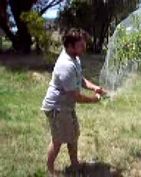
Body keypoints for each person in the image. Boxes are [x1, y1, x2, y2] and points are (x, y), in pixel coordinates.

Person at [41, 28, 107, 176]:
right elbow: (76, 96)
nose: (85, 48)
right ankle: (51, 172)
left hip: (66, 107)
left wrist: (95, 87)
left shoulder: (74, 58)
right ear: (70, 46)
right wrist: (94, 99)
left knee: (73, 136)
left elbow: (80, 79)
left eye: (84, 44)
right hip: (57, 108)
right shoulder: (66, 65)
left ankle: (75, 165)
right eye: (81, 45)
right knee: (58, 141)